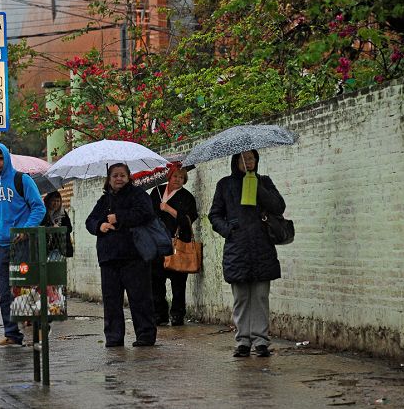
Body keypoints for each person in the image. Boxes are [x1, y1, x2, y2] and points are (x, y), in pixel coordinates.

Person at [208, 149, 286, 357]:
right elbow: (214, 215)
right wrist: (228, 230)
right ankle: (243, 341)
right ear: (236, 162)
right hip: (238, 247)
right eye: (243, 159)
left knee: (260, 295)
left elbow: (279, 207)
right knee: (241, 296)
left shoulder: (264, 181)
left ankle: (261, 341)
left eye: (251, 158)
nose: (247, 162)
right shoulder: (225, 185)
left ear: (256, 161)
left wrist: (258, 187)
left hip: (262, 247)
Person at [85, 163, 157, 347]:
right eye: (115, 176)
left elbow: (146, 213)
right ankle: (114, 337)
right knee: (111, 301)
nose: (118, 179)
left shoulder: (138, 194)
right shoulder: (104, 200)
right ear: (109, 179)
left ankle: (145, 335)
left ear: (128, 177)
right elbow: (90, 221)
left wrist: (119, 217)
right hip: (109, 258)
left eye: (122, 175)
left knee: (140, 298)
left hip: (134, 256)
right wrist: (100, 226)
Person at [0, 143, 46, 346]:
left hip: (23, 244)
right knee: (5, 294)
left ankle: (38, 330)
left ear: (6, 158)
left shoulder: (22, 180)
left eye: (0, 158)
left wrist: (25, 230)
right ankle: (11, 334)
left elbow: (38, 208)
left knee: (26, 289)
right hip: (2, 246)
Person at [150, 166, 198, 326]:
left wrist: (169, 209)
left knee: (178, 282)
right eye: (175, 176)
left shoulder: (187, 197)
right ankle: (159, 313)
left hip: (178, 243)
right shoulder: (156, 192)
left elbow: (189, 220)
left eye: (181, 177)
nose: (178, 179)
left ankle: (178, 314)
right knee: (156, 280)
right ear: (169, 176)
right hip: (157, 244)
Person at [42, 191, 74, 257]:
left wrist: (59, 228)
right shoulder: (43, 213)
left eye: (58, 201)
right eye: (53, 201)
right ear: (48, 201)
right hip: (46, 246)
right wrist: (51, 227)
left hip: (60, 247)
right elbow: (41, 225)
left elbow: (69, 228)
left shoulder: (62, 213)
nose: (56, 203)